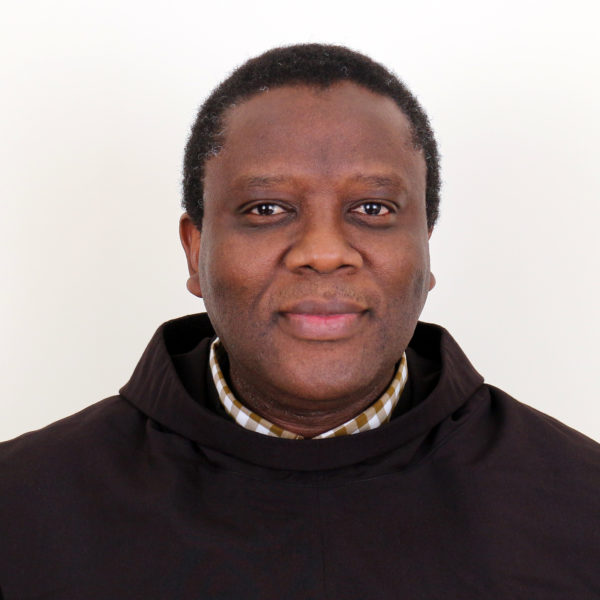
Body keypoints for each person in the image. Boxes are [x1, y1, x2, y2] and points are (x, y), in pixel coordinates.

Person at [1, 44, 599, 599]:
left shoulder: (582, 505)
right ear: (195, 250)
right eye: (267, 209)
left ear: (425, 245)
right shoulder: (20, 508)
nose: (324, 252)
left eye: (372, 208)